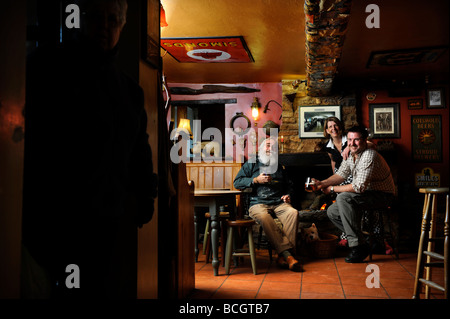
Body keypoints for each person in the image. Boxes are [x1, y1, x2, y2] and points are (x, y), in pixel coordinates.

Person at [22, 0, 157, 298]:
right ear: (80, 20)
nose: (104, 26)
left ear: (121, 26)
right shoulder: (48, 67)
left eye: (113, 20)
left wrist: (146, 195)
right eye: (97, 17)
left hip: (109, 222)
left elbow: (139, 150)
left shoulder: (130, 91)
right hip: (55, 220)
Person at [314, 126, 395, 263]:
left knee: (343, 197)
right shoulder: (351, 154)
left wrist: (332, 189)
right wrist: (322, 183)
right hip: (366, 194)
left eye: (356, 140)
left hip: (383, 196)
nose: (352, 143)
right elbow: (341, 174)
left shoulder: (369, 155)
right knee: (332, 211)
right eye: (350, 139)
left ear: (364, 140)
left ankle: (358, 246)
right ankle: (368, 241)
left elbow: (358, 187)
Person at [233, 137, 302, 272]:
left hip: (278, 203)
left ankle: (283, 257)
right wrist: (255, 180)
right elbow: (237, 182)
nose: (271, 149)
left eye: (274, 147)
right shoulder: (252, 163)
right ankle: (288, 256)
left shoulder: (280, 166)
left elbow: (290, 186)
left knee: (293, 213)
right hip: (257, 203)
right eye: (268, 145)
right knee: (265, 217)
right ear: (261, 148)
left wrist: (288, 195)